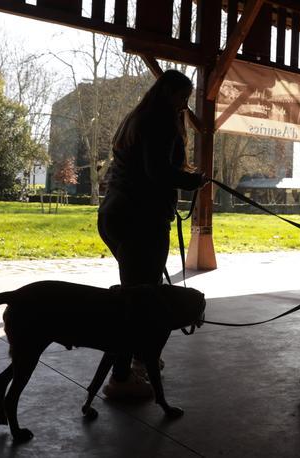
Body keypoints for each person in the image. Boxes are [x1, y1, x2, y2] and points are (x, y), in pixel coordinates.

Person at [97, 70, 206, 398]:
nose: (184, 104)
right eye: (182, 96)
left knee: (139, 292)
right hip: (140, 219)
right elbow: (156, 172)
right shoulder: (159, 120)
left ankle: (142, 360)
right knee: (139, 300)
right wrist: (192, 181)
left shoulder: (137, 117)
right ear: (169, 92)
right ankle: (120, 377)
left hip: (116, 213)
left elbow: (147, 167)